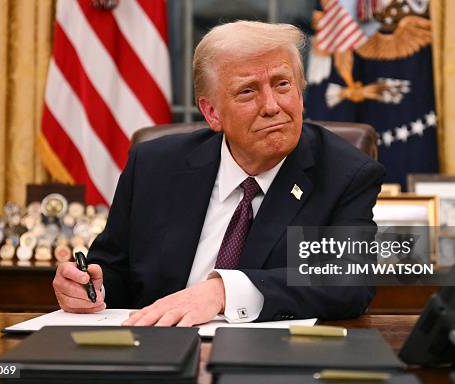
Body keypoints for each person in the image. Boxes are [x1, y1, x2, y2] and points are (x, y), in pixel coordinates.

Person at [52, 20, 385, 326]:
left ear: (300, 92)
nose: (272, 106)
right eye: (247, 91)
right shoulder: (154, 165)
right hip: (155, 352)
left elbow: (348, 284)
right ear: (211, 113)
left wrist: (224, 291)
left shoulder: (345, 174)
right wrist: (89, 289)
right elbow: (113, 269)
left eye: (282, 84)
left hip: (271, 360)